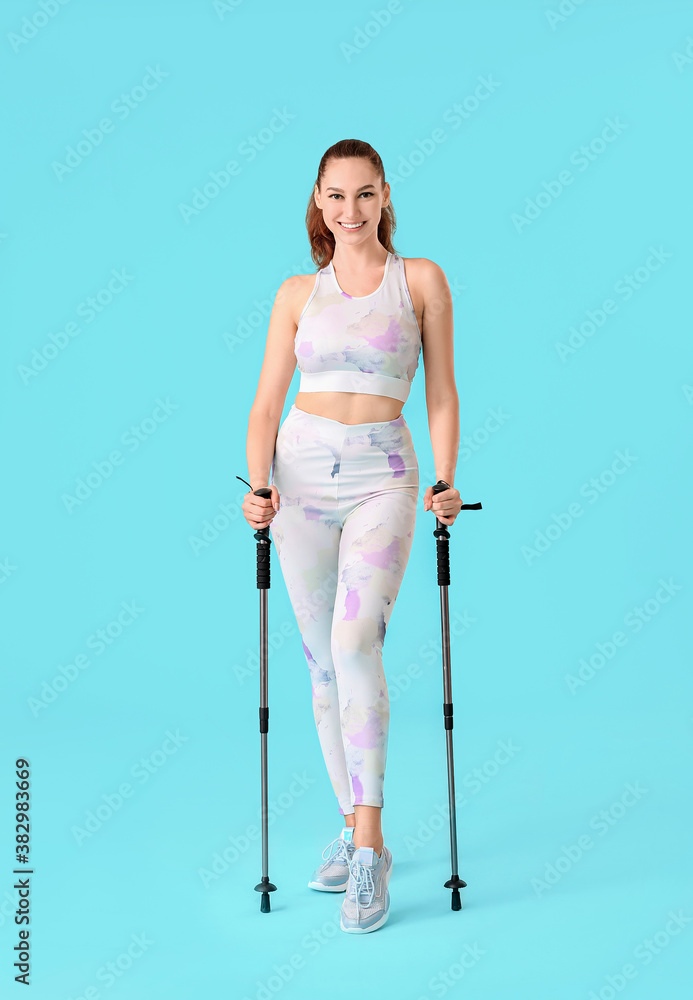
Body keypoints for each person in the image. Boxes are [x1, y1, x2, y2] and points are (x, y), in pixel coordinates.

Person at [242, 138, 463, 933]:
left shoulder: (422, 281)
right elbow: (266, 404)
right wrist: (259, 486)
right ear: (317, 200)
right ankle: (346, 822)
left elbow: (440, 391)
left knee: (355, 642)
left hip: (383, 475)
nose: (350, 210)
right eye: (335, 196)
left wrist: (445, 476)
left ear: (384, 195)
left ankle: (369, 846)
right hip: (299, 477)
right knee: (320, 668)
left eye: (364, 195)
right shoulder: (296, 293)